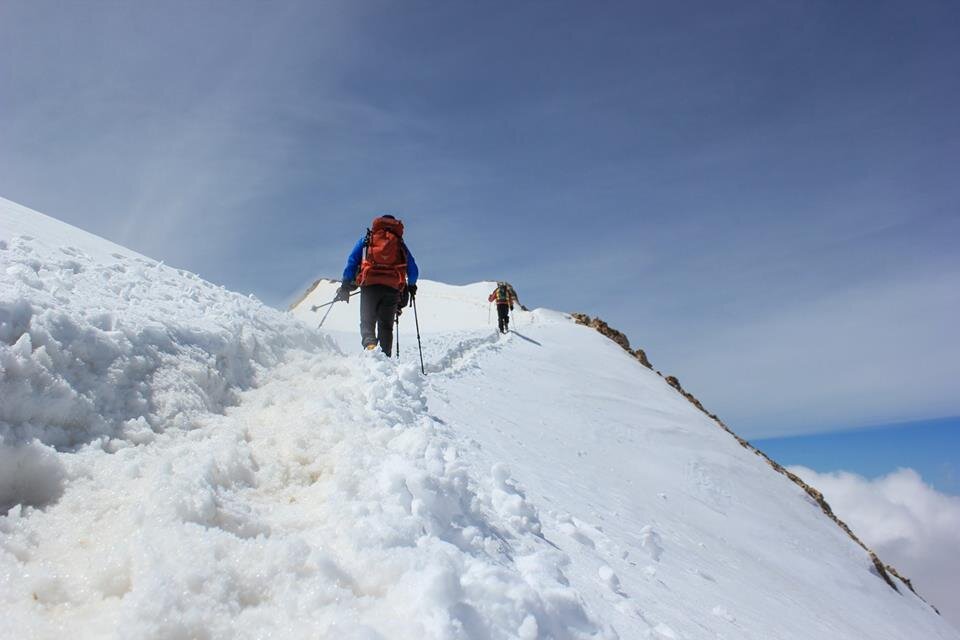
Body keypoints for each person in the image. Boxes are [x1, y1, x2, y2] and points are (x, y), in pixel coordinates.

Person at [335, 215, 418, 356]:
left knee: (367, 321)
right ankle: (384, 358)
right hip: (392, 289)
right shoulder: (399, 244)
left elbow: (352, 261)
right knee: (386, 326)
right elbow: (413, 270)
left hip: (370, 285)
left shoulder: (367, 239)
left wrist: (345, 285)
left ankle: (370, 347)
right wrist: (411, 286)